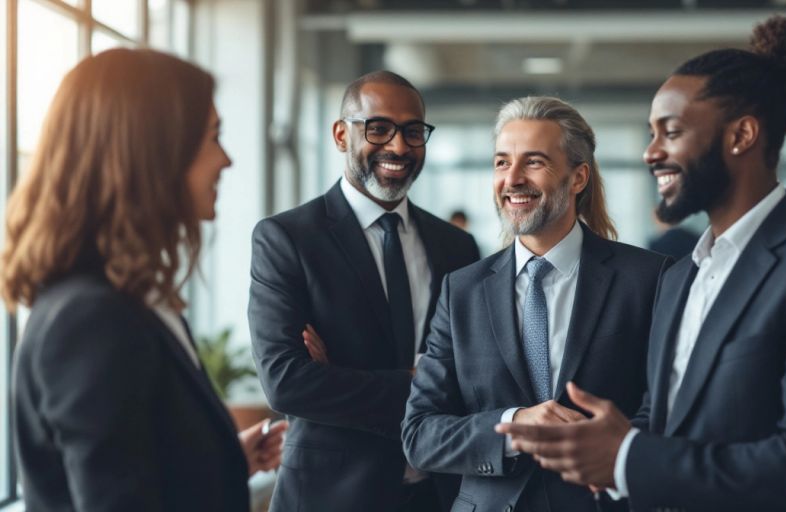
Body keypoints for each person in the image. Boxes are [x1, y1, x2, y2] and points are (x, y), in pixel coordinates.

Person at [497, 17, 786, 512]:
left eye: (671, 132)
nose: (651, 152)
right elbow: (669, 423)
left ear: (741, 134)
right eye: (651, 133)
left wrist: (626, 456)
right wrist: (600, 446)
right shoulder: (680, 275)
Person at [0, 48, 286, 511]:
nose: (226, 160)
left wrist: (223, 460)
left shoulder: (131, 298)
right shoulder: (92, 318)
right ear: (156, 151)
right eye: (213, 137)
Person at [402, 96, 671, 512]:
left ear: (578, 177)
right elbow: (420, 435)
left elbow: (668, 412)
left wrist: (604, 448)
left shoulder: (649, 279)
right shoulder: (462, 291)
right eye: (502, 162)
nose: (513, 179)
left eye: (534, 162)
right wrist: (515, 424)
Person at [248, 70, 479, 512]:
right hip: (331, 496)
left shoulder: (456, 247)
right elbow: (287, 383)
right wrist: (419, 382)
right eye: (378, 128)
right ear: (341, 135)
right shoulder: (288, 239)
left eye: (413, 132)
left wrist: (340, 375)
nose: (398, 146)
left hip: (440, 495)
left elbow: (475, 371)